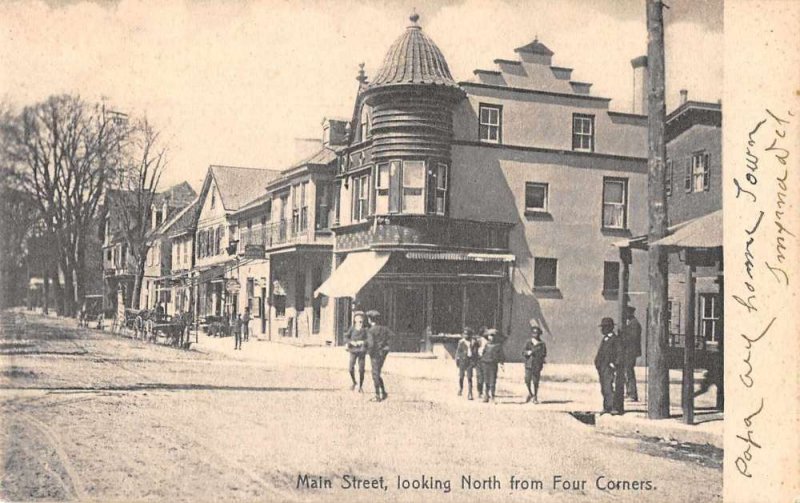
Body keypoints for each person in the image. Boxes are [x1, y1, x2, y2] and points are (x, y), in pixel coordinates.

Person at [594, 317, 623, 415]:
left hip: (609, 367)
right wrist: (597, 363)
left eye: (604, 327)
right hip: (602, 367)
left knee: (609, 387)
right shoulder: (605, 339)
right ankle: (606, 406)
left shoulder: (615, 339)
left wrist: (615, 364)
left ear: (609, 328)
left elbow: (619, 352)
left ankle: (613, 407)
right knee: (604, 388)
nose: (602, 329)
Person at [366, 310, 392, 402]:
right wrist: (385, 347)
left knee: (375, 374)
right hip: (383, 353)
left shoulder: (371, 330)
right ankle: (384, 393)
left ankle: (377, 395)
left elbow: (371, 344)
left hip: (375, 354)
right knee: (378, 373)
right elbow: (391, 337)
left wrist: (368, 352)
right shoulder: (385, 329)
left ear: (370, 319)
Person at [523, 320, 547, 403]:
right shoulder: (528, 342)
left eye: (536, 333)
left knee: (536, 381)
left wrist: (539, 356)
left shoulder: (542, 344)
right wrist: (528, 352)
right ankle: (530, 393)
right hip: (528, 364)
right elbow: (523, 352)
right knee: (527, 380)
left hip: (537, 365)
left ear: (539, 334)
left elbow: (544, 354)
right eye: (533, 333)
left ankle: (535, 396)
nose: (535, 335)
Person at [621, 306, 642, 401]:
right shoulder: (631, 323)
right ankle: (629, 392)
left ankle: (632, 394)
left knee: (629, 372)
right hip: (628, 352)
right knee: (627, 372)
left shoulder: (634, 324)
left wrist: (623, 336)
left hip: (630, 352)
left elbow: (632, 339)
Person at [345, 311, 368, 392]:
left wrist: (363, 342)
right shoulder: (352, 328)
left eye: (361, 319)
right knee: (350, 368)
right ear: (355, 319)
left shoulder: (365, 329)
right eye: (358, 319)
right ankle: (354, 382)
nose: (359, 321)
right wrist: (351, 342)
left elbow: (369, 339)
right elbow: (346, 337)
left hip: (361, 351)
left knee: (361, 369)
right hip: (353, 350)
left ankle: (360, 386)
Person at [480, 329, 505, 403]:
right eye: (490, 336)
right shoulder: (487, 345)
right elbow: (483, 353)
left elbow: (501, 356)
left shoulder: (498, 346)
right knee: (486, 380)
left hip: (493, 364)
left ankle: (493, 396)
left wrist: (501, 363)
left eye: (493, 336)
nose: (491, 337)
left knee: (492, 380)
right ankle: (486, 395)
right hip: (485, 363)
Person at [455, 327, 477, 400]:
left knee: (469, 377)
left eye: (467, 334)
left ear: (470, 335)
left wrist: (474, 361)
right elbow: (458, 352)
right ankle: (460, 388)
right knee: (461, 376)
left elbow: (475, 352)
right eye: (464, 334)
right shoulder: (461, 342)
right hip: (462, 361)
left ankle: (470, 393)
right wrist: (457, 360)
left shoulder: (473, 342)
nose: (466, 335)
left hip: (470, 361)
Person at [475, 328, 489, 398]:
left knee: (484, 376)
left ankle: (484, 392)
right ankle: (479, 391)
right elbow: (475, 349)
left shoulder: (488, 341)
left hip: (484, 359)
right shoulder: (479, 340)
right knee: (480, 376)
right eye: (486, 332)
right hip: (479, 359)